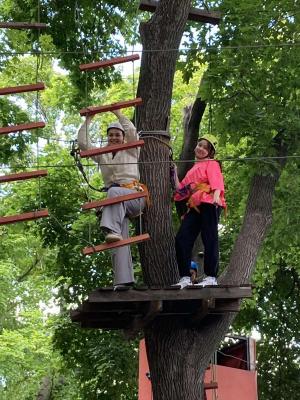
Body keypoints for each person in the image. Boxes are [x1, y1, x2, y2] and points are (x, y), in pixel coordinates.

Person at [77, 109, 146, 289]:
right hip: (116, 205)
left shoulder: (131, 149)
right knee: (118, 240)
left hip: (135, 196)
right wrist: (88, 120)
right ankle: (123, 281)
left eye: (117, 135)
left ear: (123, 138)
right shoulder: (103, 155)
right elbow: (84, 144)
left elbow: (131, 131)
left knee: (113, 192)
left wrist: (118, 114)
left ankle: (110, 227)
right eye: (111, 135)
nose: (114, 138)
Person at [173, 134, 226, 288]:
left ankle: (211, 276)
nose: (201, 149)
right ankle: (184, 277)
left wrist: (216, 197)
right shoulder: (191, 171)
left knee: (209, 237)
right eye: (200, 145)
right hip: (195, 207)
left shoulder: (211, 163)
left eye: (206, 148)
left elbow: (217, 181)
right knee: (182, 238)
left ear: (210, 153)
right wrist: (174, 172)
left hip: (209, 202)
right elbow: (181, 191)